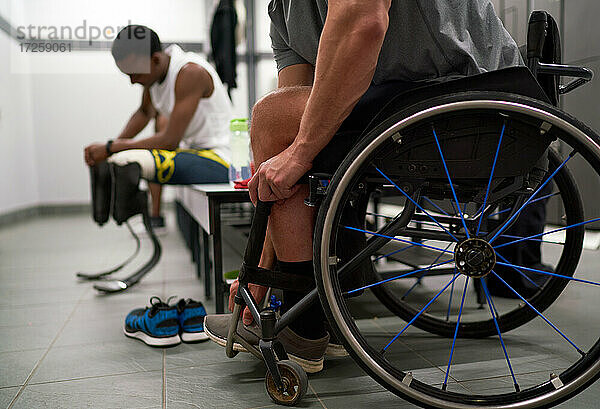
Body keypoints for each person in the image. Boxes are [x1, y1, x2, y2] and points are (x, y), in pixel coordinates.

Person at [204, 0, 524, 373]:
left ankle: (304, 328)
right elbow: (285, 126)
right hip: (408, 96)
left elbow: (365, 22)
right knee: (277, 117)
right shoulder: (283, 12)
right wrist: (261, 270)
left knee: (272, 119)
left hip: (471, 85)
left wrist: (299, 152)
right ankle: (314, 312)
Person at [84, 25, 233, 199]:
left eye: (135, 75)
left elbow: (169, 141)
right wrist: (112, 147)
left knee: (132, 162)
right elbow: (144, 113)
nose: (133, 82)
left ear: (155, 60)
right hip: (193, 153)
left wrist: (111, 148)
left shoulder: (190, 72)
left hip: (221, 159)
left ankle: (144, 212)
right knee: (120, 158)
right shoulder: (153, 76)